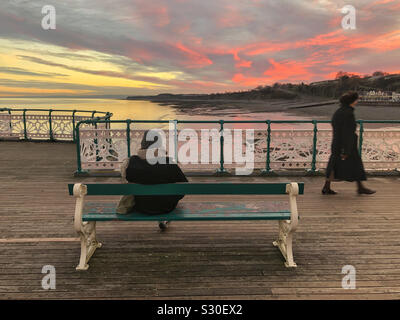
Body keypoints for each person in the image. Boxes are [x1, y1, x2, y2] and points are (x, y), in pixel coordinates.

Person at [322, 91, 376, 195]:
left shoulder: (338, 112)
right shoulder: (349, 113)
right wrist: (346, 149)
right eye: (356, 99)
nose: (357, 101)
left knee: (334, 165)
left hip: (337, 142)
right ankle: (360, 188)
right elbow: (348, 132)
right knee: (355, 165)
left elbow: (337, 128)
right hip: (347, 144)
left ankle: (327, 187)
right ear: (353, 101)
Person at [124, 130, 188, 215]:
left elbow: (127, 180)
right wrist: (172, 199)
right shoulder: (168, 163)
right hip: (166, 206)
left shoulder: (132, 162)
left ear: (143, 143)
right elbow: (184, 187)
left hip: (142, 207)